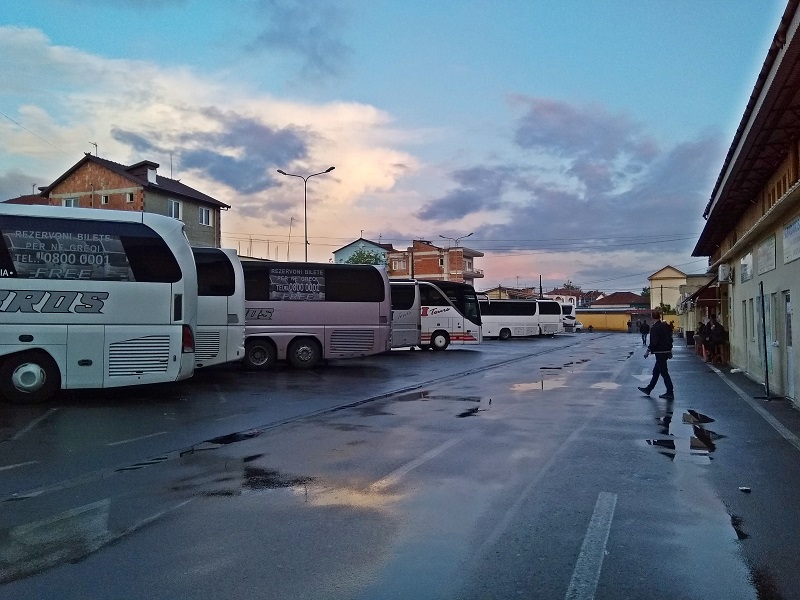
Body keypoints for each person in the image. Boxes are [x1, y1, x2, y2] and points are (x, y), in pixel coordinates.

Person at [638, 310, 674, 400]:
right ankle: (649, 389)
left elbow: (654, 342)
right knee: (656, 372)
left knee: (664, 372)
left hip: (660, 352)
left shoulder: (655, 328)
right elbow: (670, 338)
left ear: (652, 317)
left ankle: (670, 392)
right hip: (665, 352)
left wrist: (648, 350)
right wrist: (670, 350)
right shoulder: (665, 326)